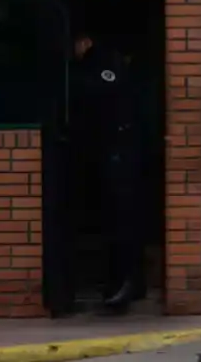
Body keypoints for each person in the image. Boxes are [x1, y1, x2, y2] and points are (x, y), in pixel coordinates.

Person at [69, 30, 145, 312]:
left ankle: (124, 285)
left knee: (121, 222)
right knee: (114, 222)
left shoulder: (103, 66)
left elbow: (101, 97)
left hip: (119, 154)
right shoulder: (98, 65)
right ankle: (123, 284)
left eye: (75, 44)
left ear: (85, 41)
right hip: (112, 154)